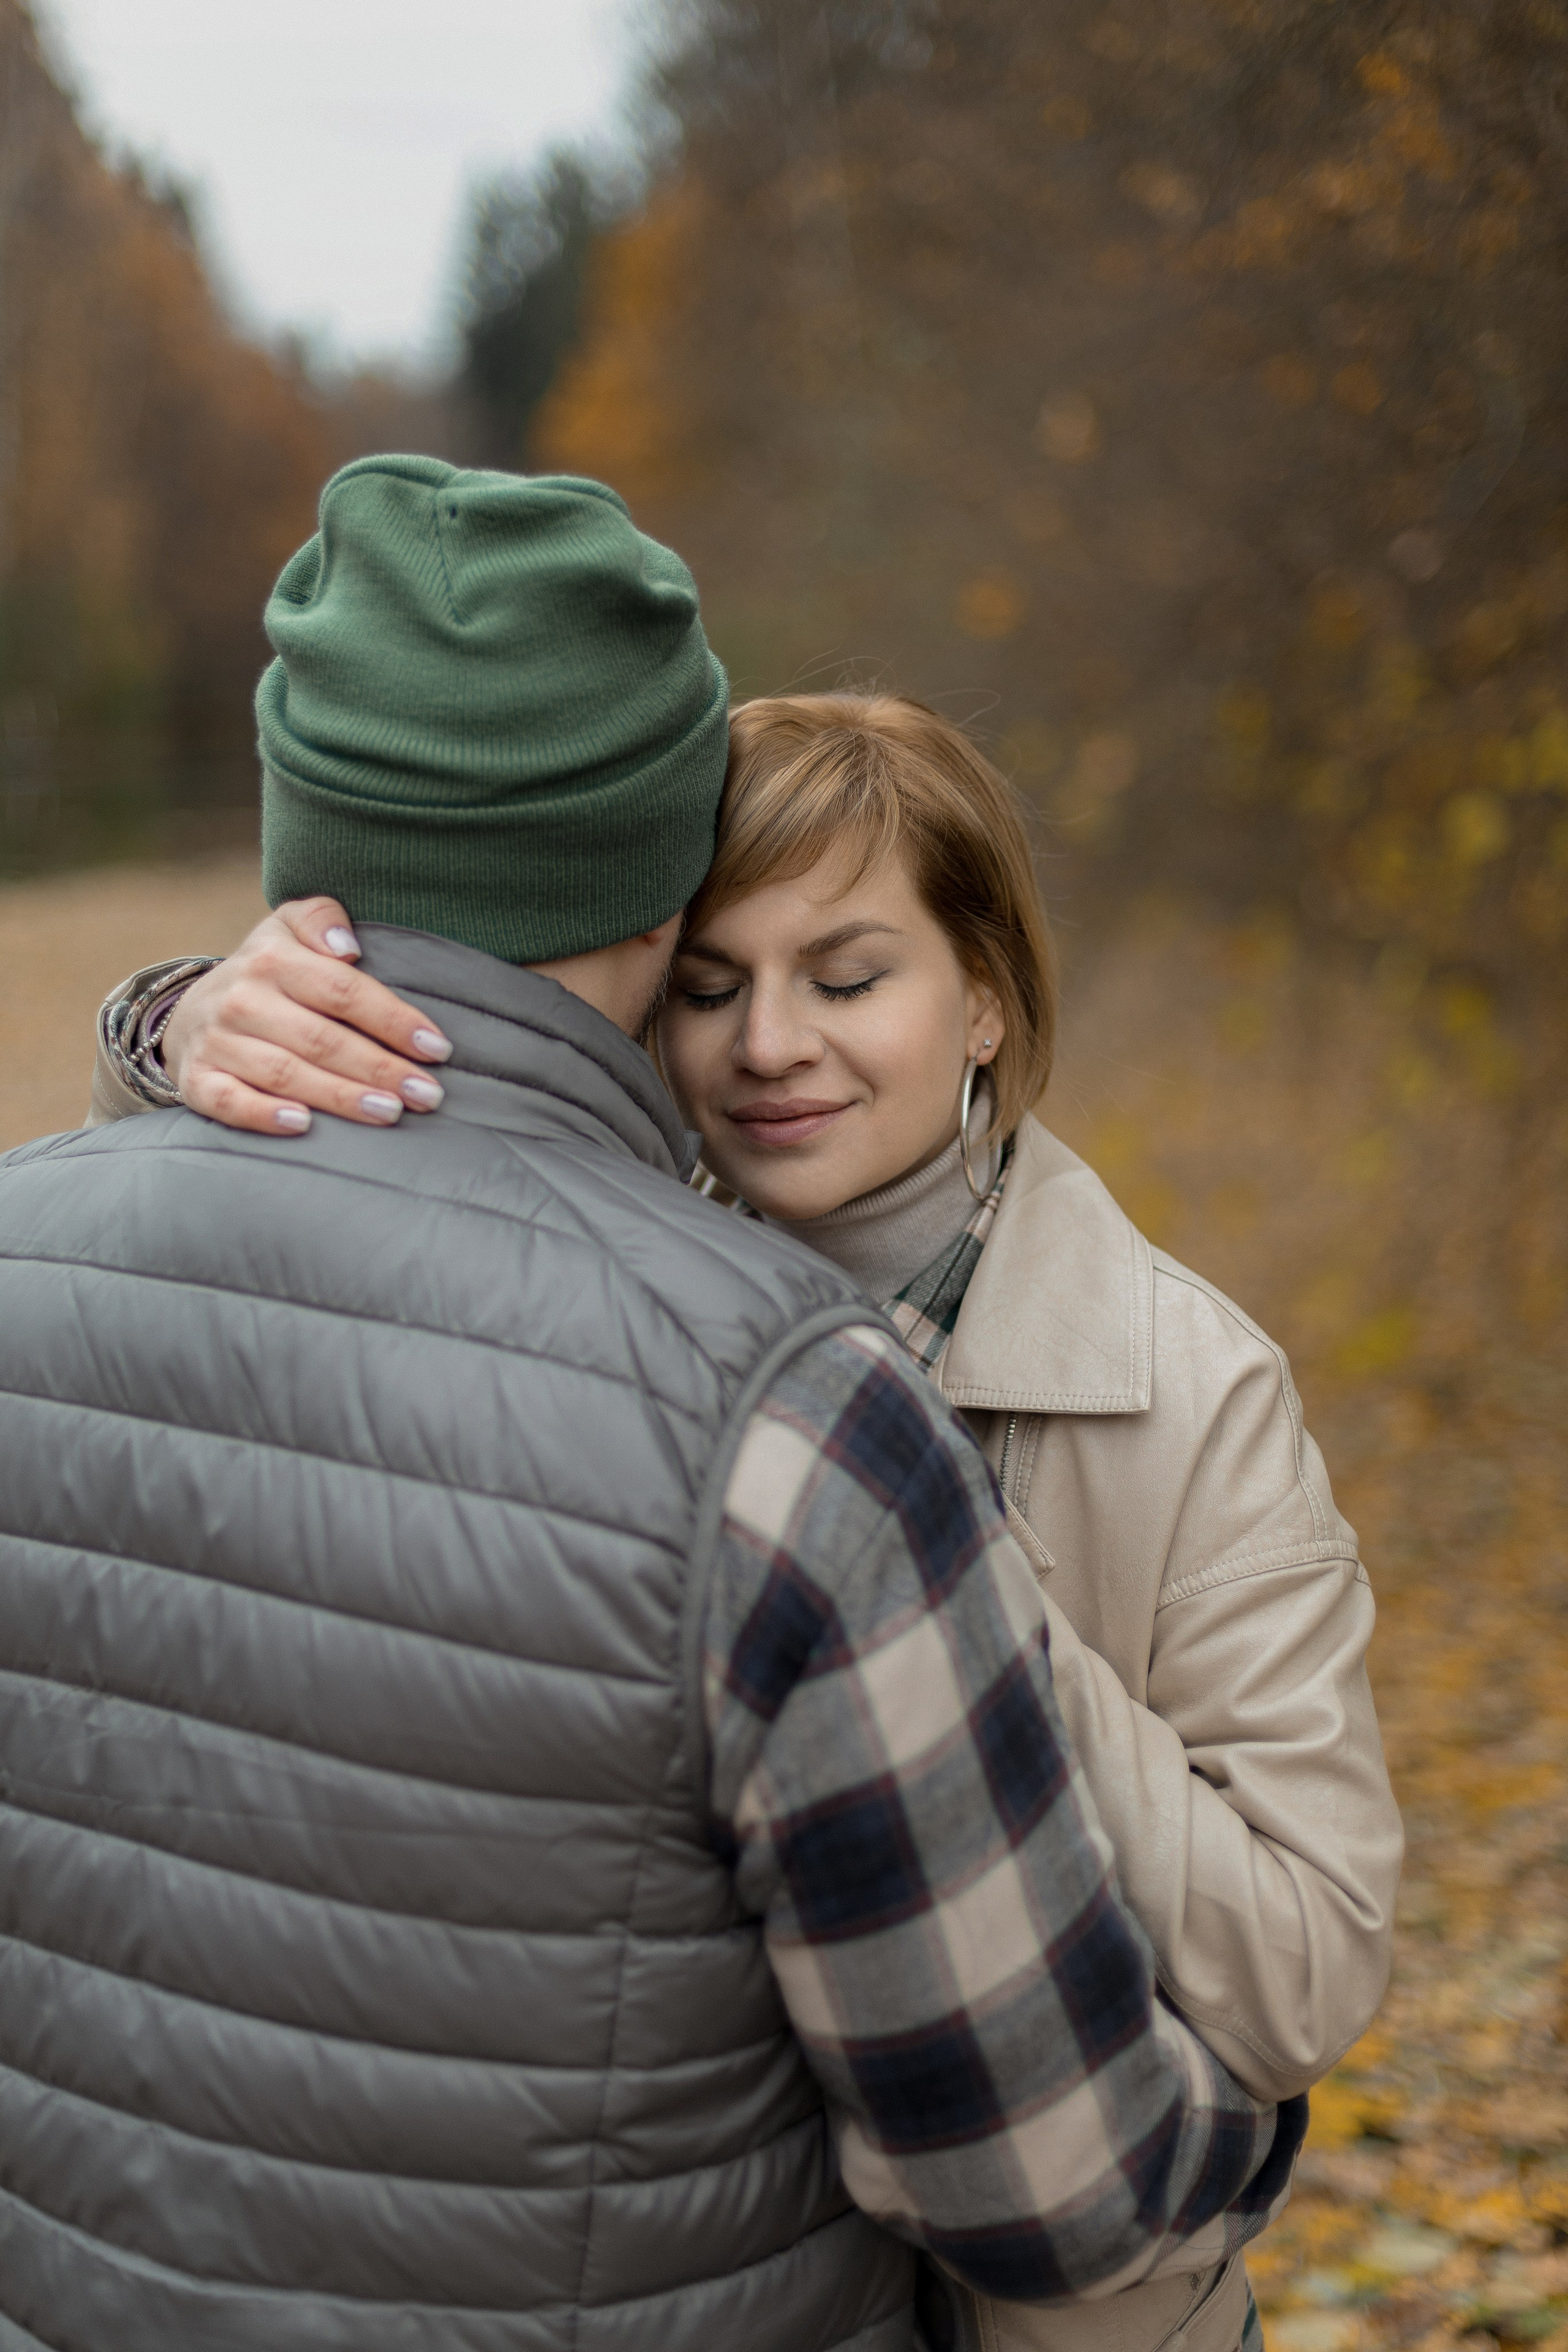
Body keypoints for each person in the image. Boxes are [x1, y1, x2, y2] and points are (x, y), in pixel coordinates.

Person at [0, 459, 1302, 2352]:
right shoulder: (788, 1417)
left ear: (308, 852)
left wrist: (160, 1034)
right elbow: (1052, 2190)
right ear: (658, 868)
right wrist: (1243, 2147)